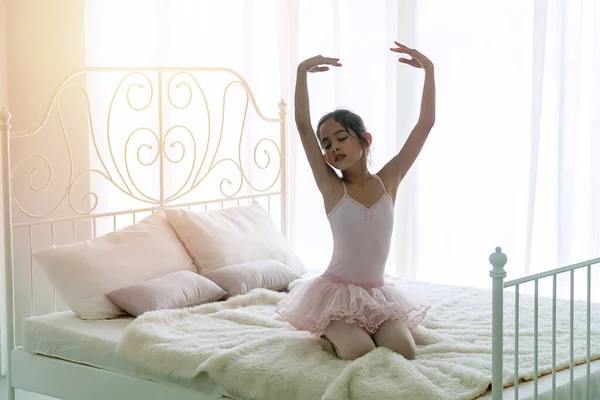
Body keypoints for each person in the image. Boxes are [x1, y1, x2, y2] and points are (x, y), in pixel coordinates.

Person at [276, 41, 436, 361]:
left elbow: (425, 124)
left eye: (341, 138)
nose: (333, 147)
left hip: (376, 293)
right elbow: (303, 125)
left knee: (405, 350)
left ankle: (365, 330)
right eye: (327, 143)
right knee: (360, 350)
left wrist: (429, 71)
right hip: (335, 294)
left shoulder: (389, 180)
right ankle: (329, 329)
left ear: (365, 140)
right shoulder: (331, 188)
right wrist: (301, 73)